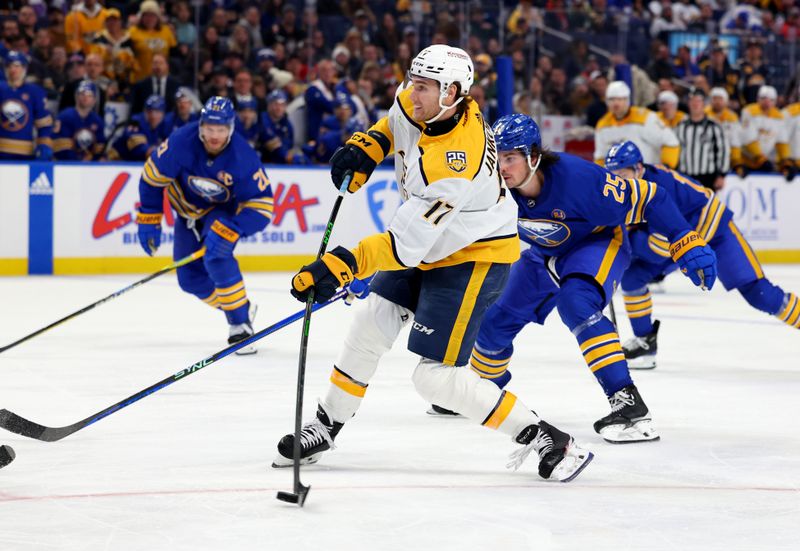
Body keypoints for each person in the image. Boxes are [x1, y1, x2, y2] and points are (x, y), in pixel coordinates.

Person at [273, 45, 594, 483]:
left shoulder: (455, 160)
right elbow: (394, 122)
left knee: (435, 379)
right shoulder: (423, 100)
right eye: (412, 81)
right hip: (431, 238)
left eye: (422, 86)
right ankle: (326, 426)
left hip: (473, 256)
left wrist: (343, 265)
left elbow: (405, 247)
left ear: (454, 92)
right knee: (371, 322)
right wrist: (370, 144)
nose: (411, 92)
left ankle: (548, 437)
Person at [459, 114, 717, 443]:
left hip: (597, 243)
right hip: (544, 252)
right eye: (497, 158)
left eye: (510, 158)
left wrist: (684, 239)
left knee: (575, 303)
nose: (501, 168)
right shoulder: (488, 187)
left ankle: (630, 406)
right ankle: (481, 390)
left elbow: (652, 197)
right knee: (494, 321)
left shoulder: (580, 179)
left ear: (534, 156)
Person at [604, 141, 799, 369]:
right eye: (613, 175)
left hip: (714, 231)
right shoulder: (624, 188)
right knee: (632, 278)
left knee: (760, 294)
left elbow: (658, 247)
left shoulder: (658, 187)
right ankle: (645, 343)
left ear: (638, 168)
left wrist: (625, 240)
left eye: (623, 174)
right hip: (680, 238)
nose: (619, 180)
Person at [135, 96, 274, 354]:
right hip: (186, 216)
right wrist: (149, 217)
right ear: (201, 126)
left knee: (217, 255)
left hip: (221, 214)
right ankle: (241, 306)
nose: (214, 135)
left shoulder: (243, 158)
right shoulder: (180, 143)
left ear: (230, 129)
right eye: (210, 128)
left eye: (221, 129)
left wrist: (233, 228)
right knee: (189, 279)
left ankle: (240, 325)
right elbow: (151, 179)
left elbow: (262, 206)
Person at [594, 80, 680, 168]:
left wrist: (665, 167)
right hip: (618, 178)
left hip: (648, 176)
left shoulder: (645, 118)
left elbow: (670, 141)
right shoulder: (603, 124)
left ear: (627, 100)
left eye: (620, 99)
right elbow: (600, 156)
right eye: (612, 99)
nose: (616, 103)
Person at [0, 50, 53, 161]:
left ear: (24, 68)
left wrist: (44, 144)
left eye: (17, 66)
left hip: (24, 154)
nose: (12, 69)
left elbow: (43, 123)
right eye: (9, 66)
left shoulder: (35, 92)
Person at [675, 88, 729, 190]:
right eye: (692, 100)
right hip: (685, 175)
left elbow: (723, 151)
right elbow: (675, 150)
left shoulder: (714, 126)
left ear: (704, 104)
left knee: (707, 205)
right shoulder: (680, 126)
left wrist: (721, 175)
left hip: (708, 177)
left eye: (698, 101)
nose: (695, 104)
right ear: (688, 103)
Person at [740, 85, 791, 174]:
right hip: (746, 161)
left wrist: (785, 162)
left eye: (771, 100)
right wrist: (761, 159)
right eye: (763, 98)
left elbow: (782, 142)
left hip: (764, 161)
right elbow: (748, 139)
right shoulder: (749, 111)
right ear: (757, 99)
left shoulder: (779, 116)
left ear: (775, 101)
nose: (767, 102)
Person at [52, 80, 106, 160]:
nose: (85, 97)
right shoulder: (65, 116)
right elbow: (59, 146)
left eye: (89, 95)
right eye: (82, 94)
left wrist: (94, 159)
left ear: (94, 99)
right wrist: (79, 159)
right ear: (76, 96)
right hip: (66, 165)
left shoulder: (97, 121)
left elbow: (99, 148)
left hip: (89, 166)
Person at [107, 95, 169, 161]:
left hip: (138, 164)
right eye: (149, 111)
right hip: (116, 163)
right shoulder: (135, 123)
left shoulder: (164, 125)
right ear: (144, 112)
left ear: (163, 113)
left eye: (157, 112)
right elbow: (144, 152)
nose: (153, 116)